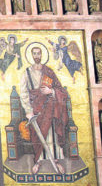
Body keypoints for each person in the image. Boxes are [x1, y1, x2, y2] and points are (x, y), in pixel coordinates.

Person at [19, 45, 71, 174]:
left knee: (50, 133)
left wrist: (51, 91)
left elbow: (60, 90)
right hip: (34, 109)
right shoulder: (26, 73)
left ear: (42, 55)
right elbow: (23, 92)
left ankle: (55, 160)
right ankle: (38, 160)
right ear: (31, 56)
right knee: (37, 134)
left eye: (39, 53)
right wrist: (28, 110)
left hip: (49, 107)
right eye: (34, 53)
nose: (37, 56)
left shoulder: (49, 71)